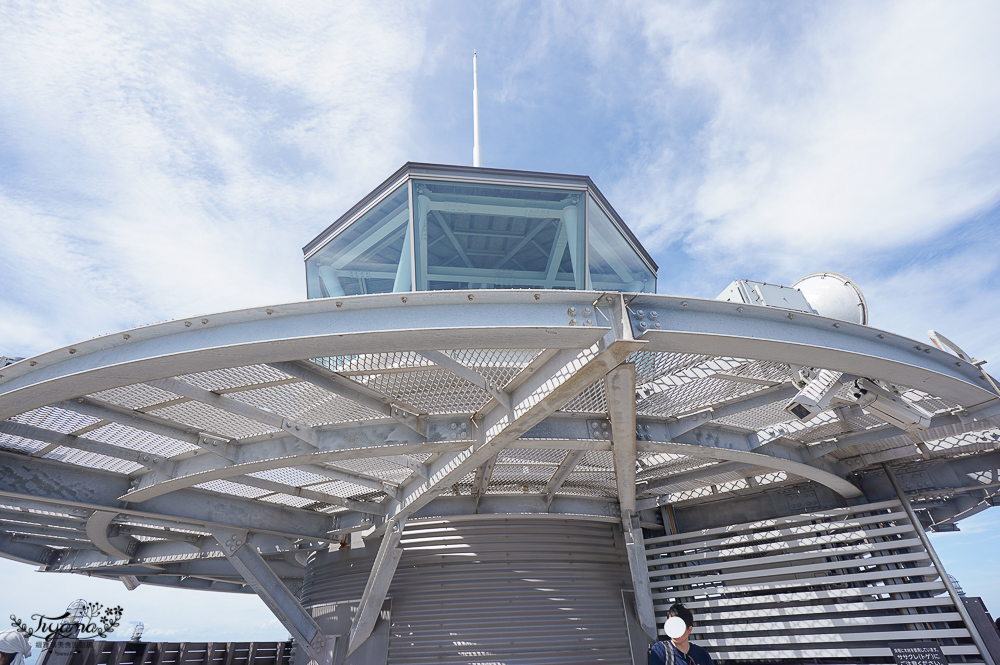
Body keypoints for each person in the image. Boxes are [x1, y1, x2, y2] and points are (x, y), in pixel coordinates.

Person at [648, 603, 713, 665]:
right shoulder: (660, 650)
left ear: (689, 629)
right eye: (671, 626)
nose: (675, 630)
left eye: (679, 627)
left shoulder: (702, 654)